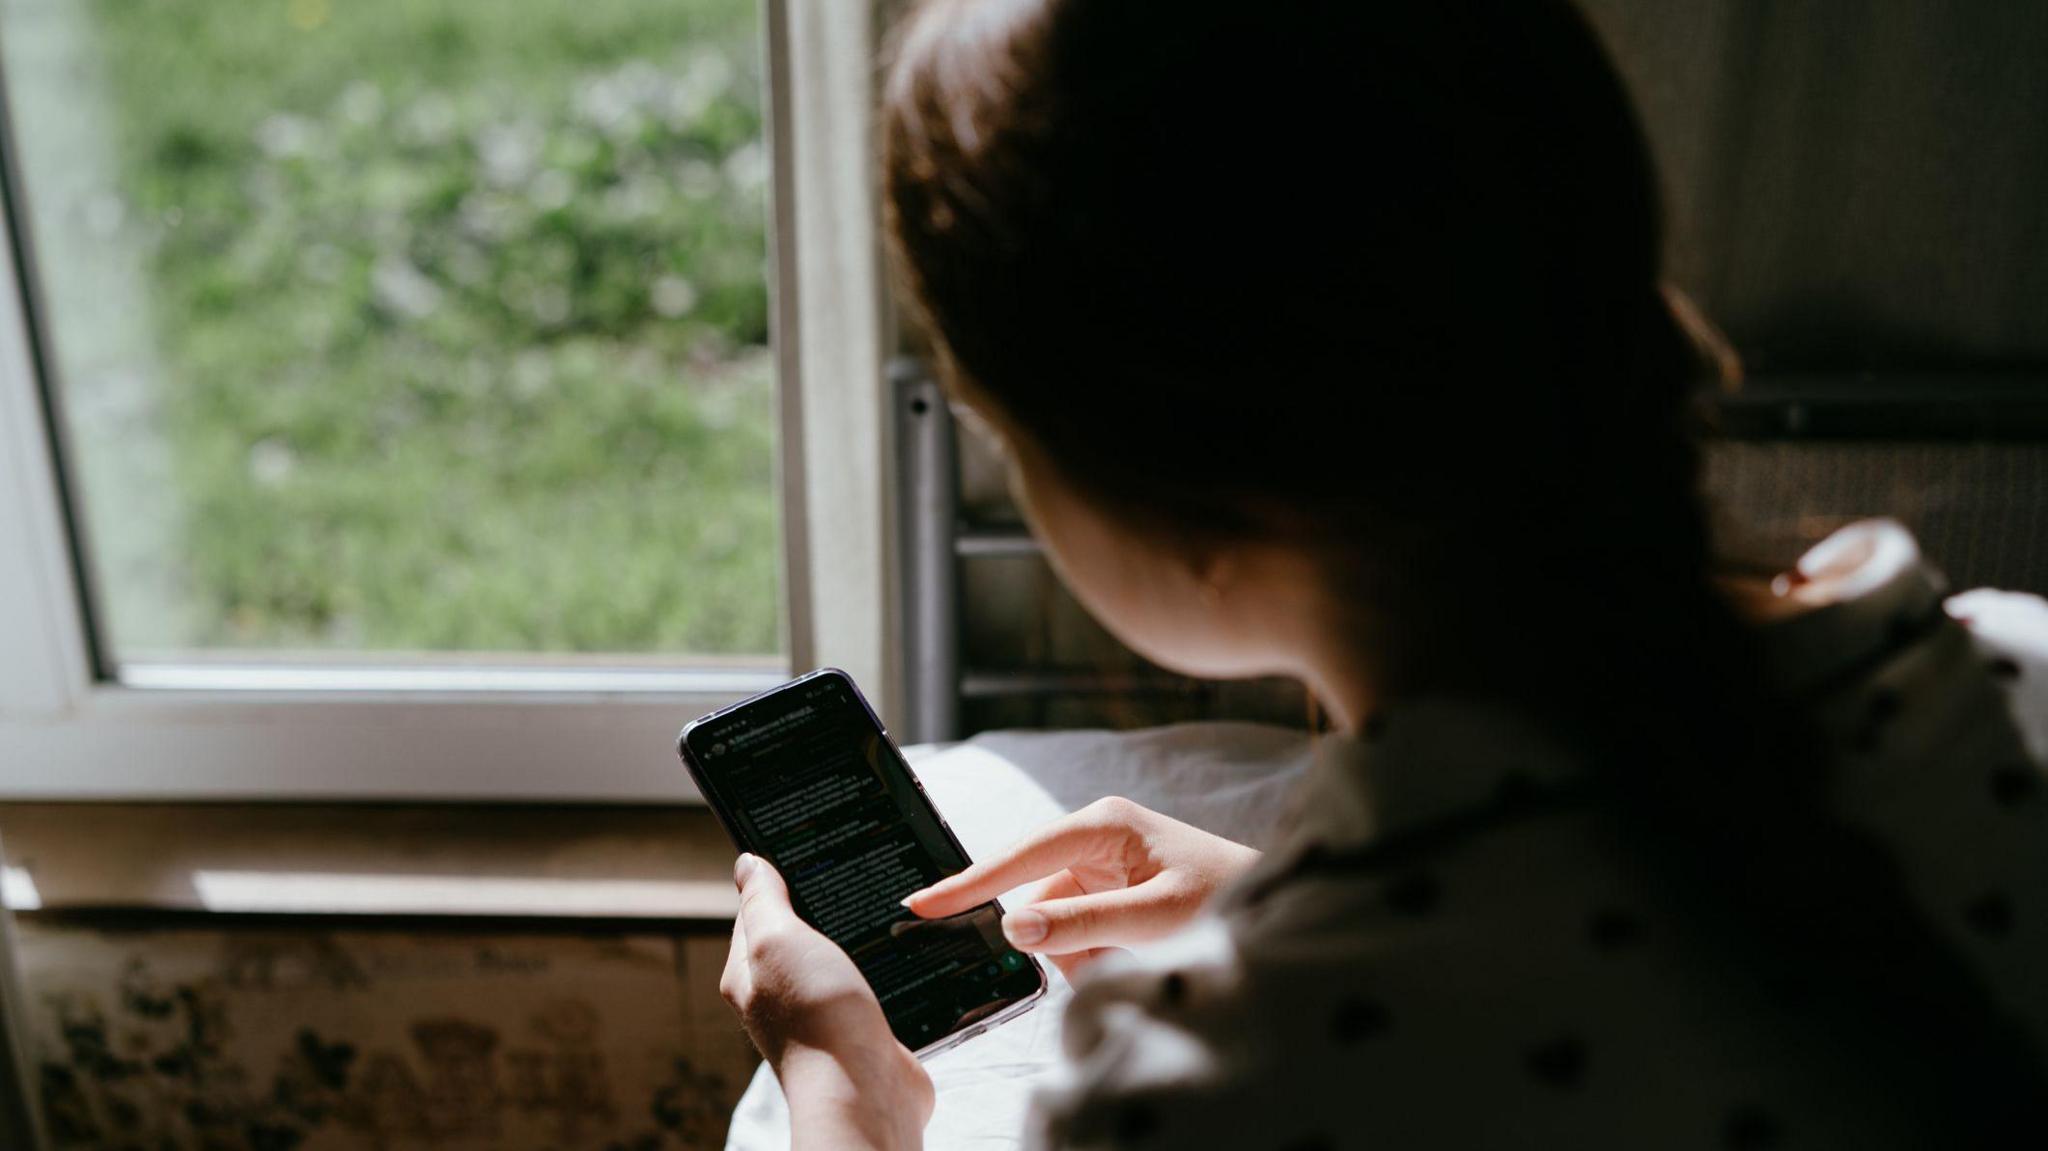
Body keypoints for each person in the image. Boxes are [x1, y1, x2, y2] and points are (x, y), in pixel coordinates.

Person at [714, 0, 2048, 1146]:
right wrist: (1281, 898)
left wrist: (847, 1097)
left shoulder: (1215, 1082)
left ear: (1164, 478)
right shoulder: (2022, 675)